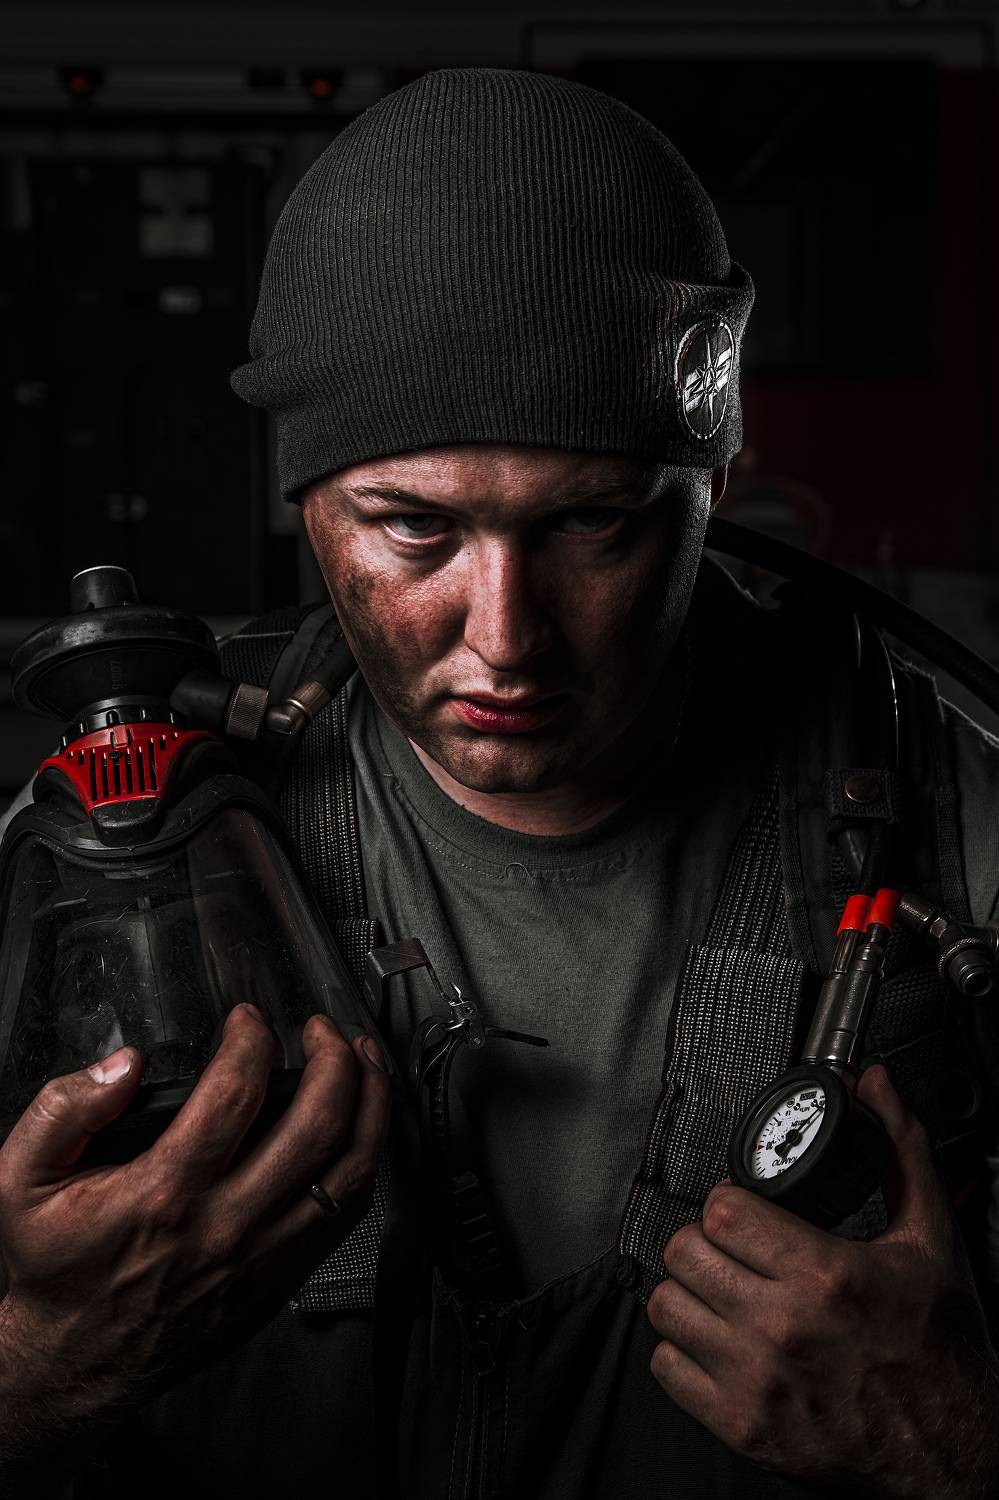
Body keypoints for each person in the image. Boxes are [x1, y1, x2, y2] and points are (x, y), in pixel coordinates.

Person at [1, 66, 998, 1500]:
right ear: (306, 502)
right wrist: (46, 1367)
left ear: (712, 485)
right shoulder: (111, 854)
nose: (507, 636)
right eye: (412, 529)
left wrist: (965, 1440)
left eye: (593, 525)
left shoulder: (959, 823)